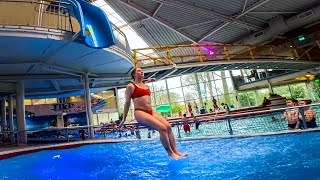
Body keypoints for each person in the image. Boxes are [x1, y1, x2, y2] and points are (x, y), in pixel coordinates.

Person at [118, 68, 187, 158]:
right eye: (139, 71)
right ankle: (170, 153)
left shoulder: (146, 86)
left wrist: (148, 80)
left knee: (168, 127)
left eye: (142, 71)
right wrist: (124, 118)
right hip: (140, 112)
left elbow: (144, 84)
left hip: (150, 111)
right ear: (134, 74)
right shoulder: (131, 86)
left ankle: (176, 151)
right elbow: (127, 103)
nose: (142, 71)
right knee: (162, 128)